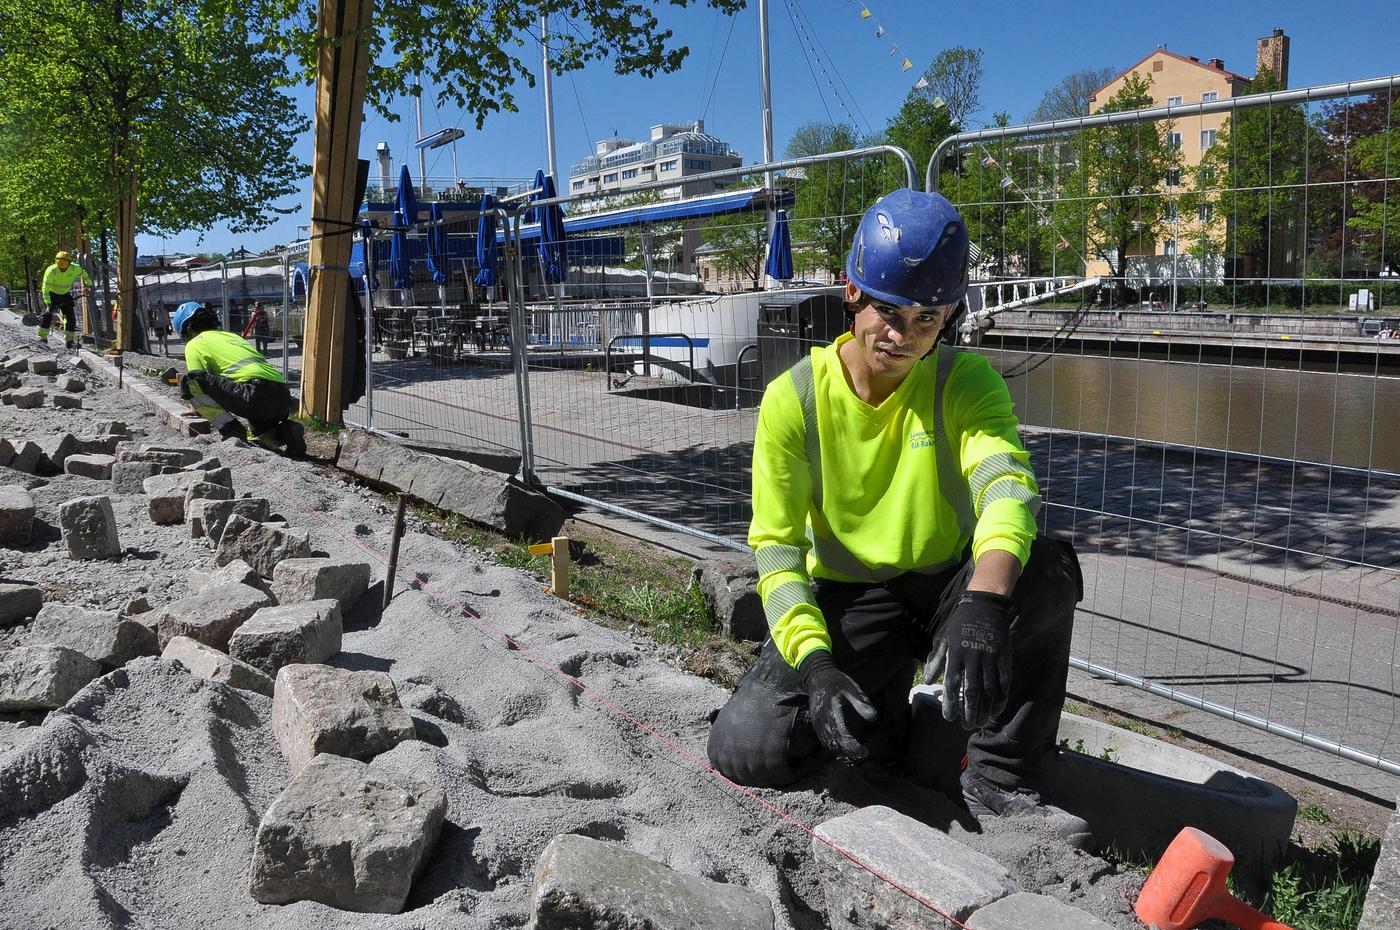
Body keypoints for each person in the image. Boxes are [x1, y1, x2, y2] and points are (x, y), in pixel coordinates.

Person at [707, 188, 1087, 840]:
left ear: (949, 317)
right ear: (852, 292)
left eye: (926, 318)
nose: (902, 335)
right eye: (888, 310)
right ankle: (891, 723)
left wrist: (987, 604)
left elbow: (1006, 487)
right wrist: (816, 667)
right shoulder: (793, 399)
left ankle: (999, 780)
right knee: (747, 746)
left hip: (948, 588)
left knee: (1045, 571)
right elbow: (775, 549)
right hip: (853, 597)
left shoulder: (964, 382)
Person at [172, 301, 305, 456]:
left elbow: (198, 378)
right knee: (260, 435)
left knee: (190, 381)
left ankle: (231, 429)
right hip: (281, 397)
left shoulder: (194, 344)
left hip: (252, 396)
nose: (185, 340)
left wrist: (196, 406)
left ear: (188, 328)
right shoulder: (231, 336)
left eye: (184, 336)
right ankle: (286, 432)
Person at [38, 250, 94, 348]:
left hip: (65, 295)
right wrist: (48, 304)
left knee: (70, 317)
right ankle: (42, 338)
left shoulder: (75, 268)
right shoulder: (51, 271)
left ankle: (69, 341)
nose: (62, 270)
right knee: (48, 315)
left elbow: (84, 274)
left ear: (69, 264)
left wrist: (89, 285)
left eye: (65, 268)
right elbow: (45, 288)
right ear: (56, 263)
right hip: (52, 294)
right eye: (60, 268)